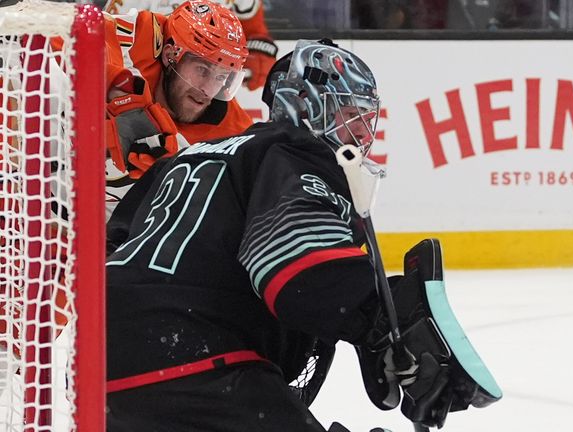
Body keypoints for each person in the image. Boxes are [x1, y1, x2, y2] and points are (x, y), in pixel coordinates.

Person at [105, 39, 500, 431]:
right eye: (350, 114)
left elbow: (105, 251)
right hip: (193, 357)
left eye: (367, 117)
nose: (363, 133)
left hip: (100, 363)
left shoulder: (185, 158)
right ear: (306, 106)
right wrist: (379, 322)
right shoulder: (294, 152)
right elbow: (300, 266)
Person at [104, 0, 254, 217]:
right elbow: (67, 34)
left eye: (221, 77)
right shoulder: (142, 37)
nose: (208, 90)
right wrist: (121, 94)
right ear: (170, 55)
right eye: (202, 69)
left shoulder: (233, 130)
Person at [97, 0, 277, 92]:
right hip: (156, 86)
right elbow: (111, 41)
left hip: (212, 86)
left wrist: (258, 49)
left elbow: (249, 22)